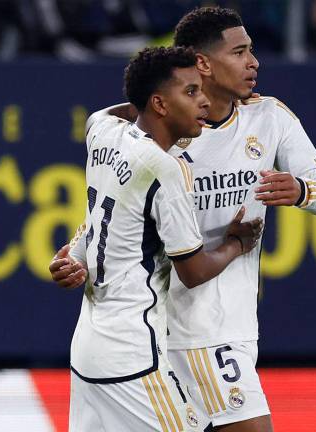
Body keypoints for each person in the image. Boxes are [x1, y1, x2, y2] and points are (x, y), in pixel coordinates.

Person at [53, 7, 316, 431]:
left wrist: (301, 190)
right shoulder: (163, 137)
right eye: (239, 52)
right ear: (203, 63)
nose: (253, 62)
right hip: (182, 330)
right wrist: (77, 253)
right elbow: (112, 209)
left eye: (251, 51)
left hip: (223, 322)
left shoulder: (270, 118)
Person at [58, 45, 263, 432]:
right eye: (190, 92)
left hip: (88, 351)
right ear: (159, 103)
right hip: (134, 357)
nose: (204, 101)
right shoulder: (165, 169)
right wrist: (236, 244)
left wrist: (149, 98)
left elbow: (110, 113)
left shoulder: (101, 131)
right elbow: (193, 271)